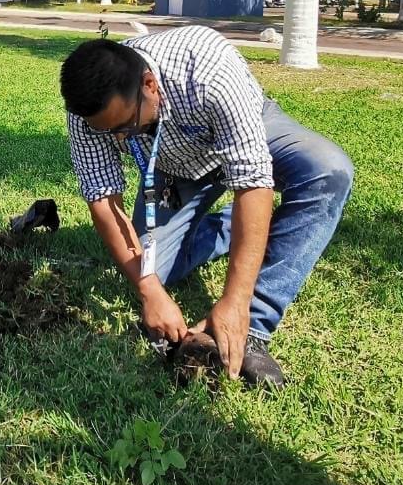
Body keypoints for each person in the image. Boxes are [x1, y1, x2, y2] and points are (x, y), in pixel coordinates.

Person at [58, 28, 353, 388]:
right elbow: (103, 198)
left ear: (150, 84)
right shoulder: (90, 112)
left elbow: (252, 179)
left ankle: (254, 330)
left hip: (248, 134)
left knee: (327, 169)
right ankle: (239, 227)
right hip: (173, 167)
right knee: (152, 272)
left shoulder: (207, 70)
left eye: (126, 127)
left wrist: (236, 300)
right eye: (110, 133)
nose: (120, 139)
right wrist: (151, 291)